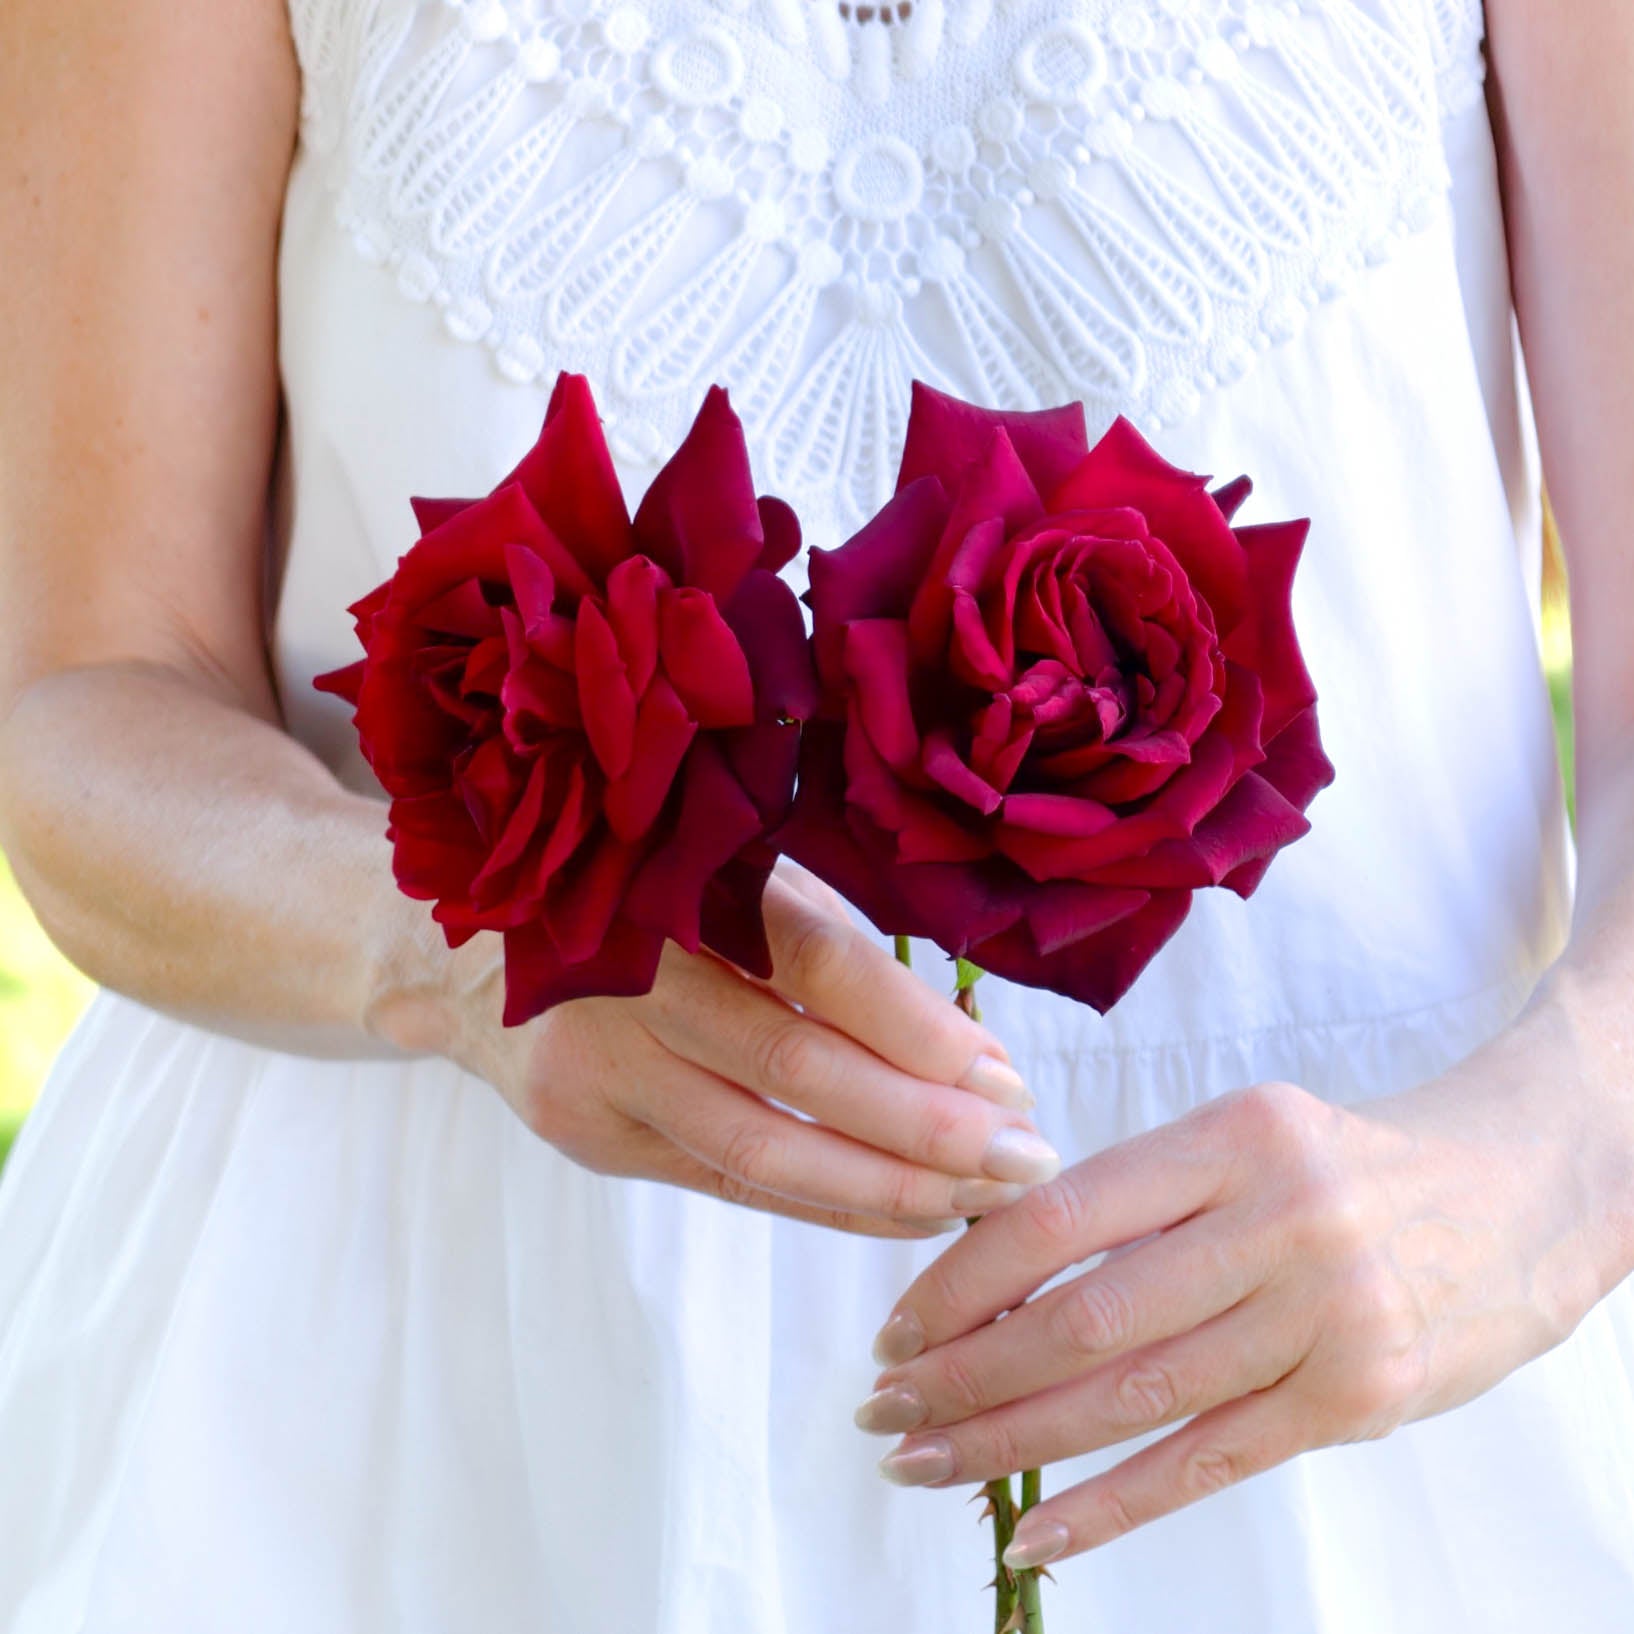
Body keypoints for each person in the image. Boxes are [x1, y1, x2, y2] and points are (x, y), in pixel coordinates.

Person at [0, 0, 1629, 1628]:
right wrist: (439, 952)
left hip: (1360, 1370)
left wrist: (1538, 1183)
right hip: (400, 1413)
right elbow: (91, 689)